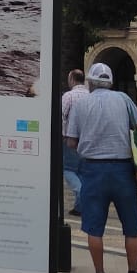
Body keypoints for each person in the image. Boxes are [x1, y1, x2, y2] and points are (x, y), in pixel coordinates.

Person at [65, 62, 137, 273]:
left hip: (93, 171)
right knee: (132, 228)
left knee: (94, 228)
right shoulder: (124, 99)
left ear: (90, 82)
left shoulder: (81, 104)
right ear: (110, 82)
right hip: (123, 171)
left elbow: (71, 141)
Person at [59, 69, 88, 216]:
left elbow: (61, 116)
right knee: (81, 171)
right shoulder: (91, 95)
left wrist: (61, 135)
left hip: (71, 140)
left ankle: (82, 196)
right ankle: (80, 207)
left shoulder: (69, 96)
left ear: (72, 79)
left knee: (68, 169)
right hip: (88, 141)